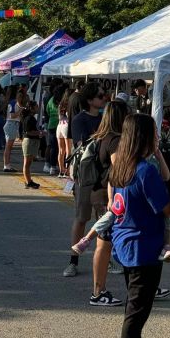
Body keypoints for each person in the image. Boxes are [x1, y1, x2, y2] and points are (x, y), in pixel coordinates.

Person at [109, 113, 170, 338]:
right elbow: (165, 207)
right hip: (143, 247)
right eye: (155, 135)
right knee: (136, 315)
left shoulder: (121, 165)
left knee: (132, 312)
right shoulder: (144, 170)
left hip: (126, 242)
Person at [72, 99, 128, 305]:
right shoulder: (115, 140)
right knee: (104, 243)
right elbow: (118, 170)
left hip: (98, 191)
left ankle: (103, 289)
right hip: (109, 195)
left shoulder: (101, 136)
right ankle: (98, 291)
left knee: (107, 240)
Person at [63, 83, 106, 278]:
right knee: (81, 218)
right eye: (100, 95)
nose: (104, 98)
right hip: (86, 174)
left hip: (104, 174)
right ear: (90, 100)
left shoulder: (105, 118)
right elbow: (83, 144)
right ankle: (73, 260)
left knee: (104, 217)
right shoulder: (79, 119)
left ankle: (106, 256)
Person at [43, 83, 65, 175]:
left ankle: (52, 166)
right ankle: (58, 166)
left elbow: (47, 111)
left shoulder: (51, 100)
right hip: (60, 125)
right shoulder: (62, 101)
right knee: (61, 148)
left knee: (53, 147)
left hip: (51, 125)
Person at [3, 87, 25, 173]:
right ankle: (6, 165)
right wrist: (20, 111)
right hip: (11, 124)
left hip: (13, 124)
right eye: (19, 95)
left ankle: (7, 165)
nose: (20, 97)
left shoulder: (16, 103)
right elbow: (12, 115)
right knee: (8, 146)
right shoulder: (13, 103)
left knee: (9, 146)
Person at [21, 102, 42, 190]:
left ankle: (28, 180)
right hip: (29, 141)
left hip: (32, 141)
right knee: (27, 163)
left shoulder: (31, 118)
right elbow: (28, 131)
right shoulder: (29, 118)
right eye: (36, 107)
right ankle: (28, 182)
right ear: (31, 108)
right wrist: (39, 132)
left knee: (29, 163)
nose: (38, 108)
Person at [55, 88, 72, 178]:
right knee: (68, 150)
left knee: (61, 151)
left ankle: (61, 171)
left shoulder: (60, 105)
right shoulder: (69, 104)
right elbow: (69, 116)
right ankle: (67, 170)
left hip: (59, 126)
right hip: (66, 126)